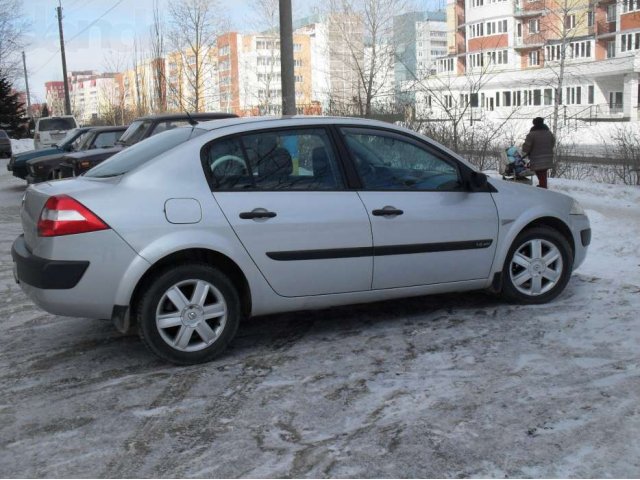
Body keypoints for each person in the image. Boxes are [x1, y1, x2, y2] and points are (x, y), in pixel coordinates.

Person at [522, 117, 555, 189]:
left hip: (537, 158)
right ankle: (542, 186)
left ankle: (543, 188)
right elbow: (552, 144)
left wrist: (527, 150)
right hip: (548, 157)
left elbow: (526, 148)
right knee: (543, 174)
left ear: (534, 124)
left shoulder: (532, 134)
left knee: (540, 173)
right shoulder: (549, 133)